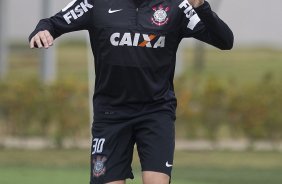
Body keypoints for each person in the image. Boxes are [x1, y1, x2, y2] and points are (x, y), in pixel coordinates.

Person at [29, 0, 233, 183]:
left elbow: (225, 41)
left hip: (156, 112)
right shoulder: (95, 3)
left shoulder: (177, 6)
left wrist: (201, 6)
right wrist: (42, 30)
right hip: (110, 114)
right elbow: (52, 23)